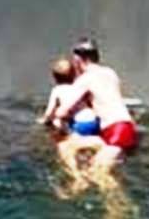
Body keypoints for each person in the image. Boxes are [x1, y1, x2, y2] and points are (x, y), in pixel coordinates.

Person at [53, 38, 138, 172]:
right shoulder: (110, 73)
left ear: (78, 59)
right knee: (91, 165)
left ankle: (75, 176)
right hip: (126, 127)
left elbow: (62, 111)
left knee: (96, 173)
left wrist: (55, 119)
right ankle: (78, 181)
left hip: (116, 131)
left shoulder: (85, 79)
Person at [39, 57, 104, 189]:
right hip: (94, 122)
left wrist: (45, 121)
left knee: (58, 125)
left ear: (54, 78)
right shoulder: (79, 87)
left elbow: (49, 112)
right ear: (75, 74)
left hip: (80, 126)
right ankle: (90, 156)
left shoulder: (57, 90)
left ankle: (77, 175)